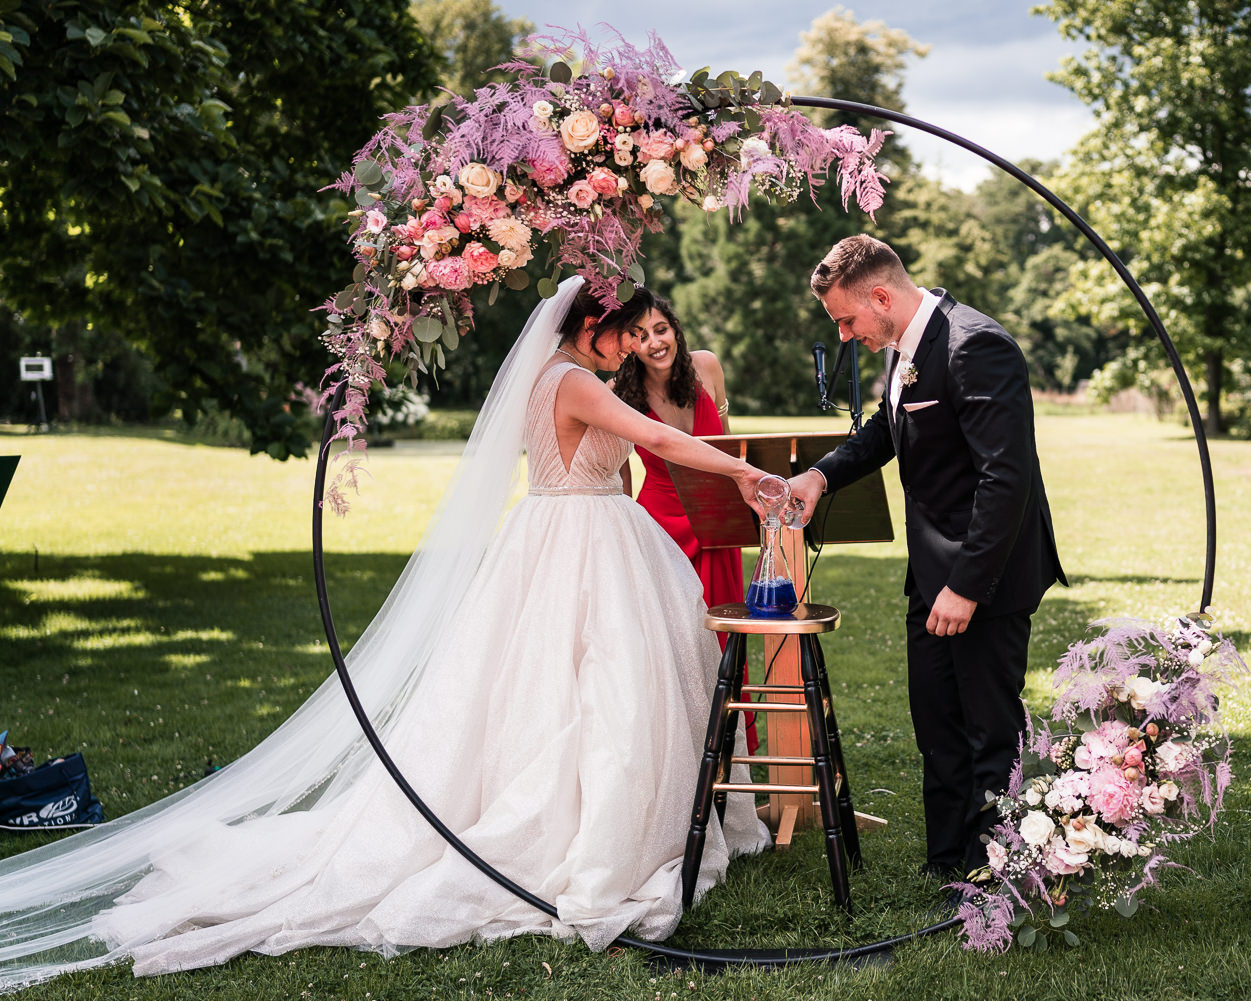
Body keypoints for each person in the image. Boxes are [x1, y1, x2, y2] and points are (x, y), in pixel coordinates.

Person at [0, 276, 770, 991]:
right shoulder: (569, 381)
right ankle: (591, 831)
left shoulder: (565, 378)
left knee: (583, 687)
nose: (630, 343)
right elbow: (662, 443)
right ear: (586, 329)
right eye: (618, 331)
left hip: (573, 533)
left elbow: (640, 448)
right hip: (580, 540)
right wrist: (744, 473)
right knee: (597, 691)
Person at [787, 235, 1067, 880]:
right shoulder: (904, 346)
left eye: (846, 319)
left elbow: (1007, 478)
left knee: (988, 733)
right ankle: (948, 862)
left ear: (881, 297)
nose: (846, 333)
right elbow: (889, 427)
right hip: (933, 571)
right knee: (937, 721)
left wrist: (967, 586)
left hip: (984, 576)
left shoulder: (977, 347)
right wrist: (821, 476)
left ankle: (995, 870)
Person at [611, 291, 757, 753]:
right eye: (639, 335)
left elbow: (729, 447)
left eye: (661, 329)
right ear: (627, 344)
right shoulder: (617, 393)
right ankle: (680, 751)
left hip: (717, 523)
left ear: (675, 328)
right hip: (662, 525)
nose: (654, 342)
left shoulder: (707, 367)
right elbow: (620, 471)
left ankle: (731, 750)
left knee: (727, 634)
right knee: (672, 640)